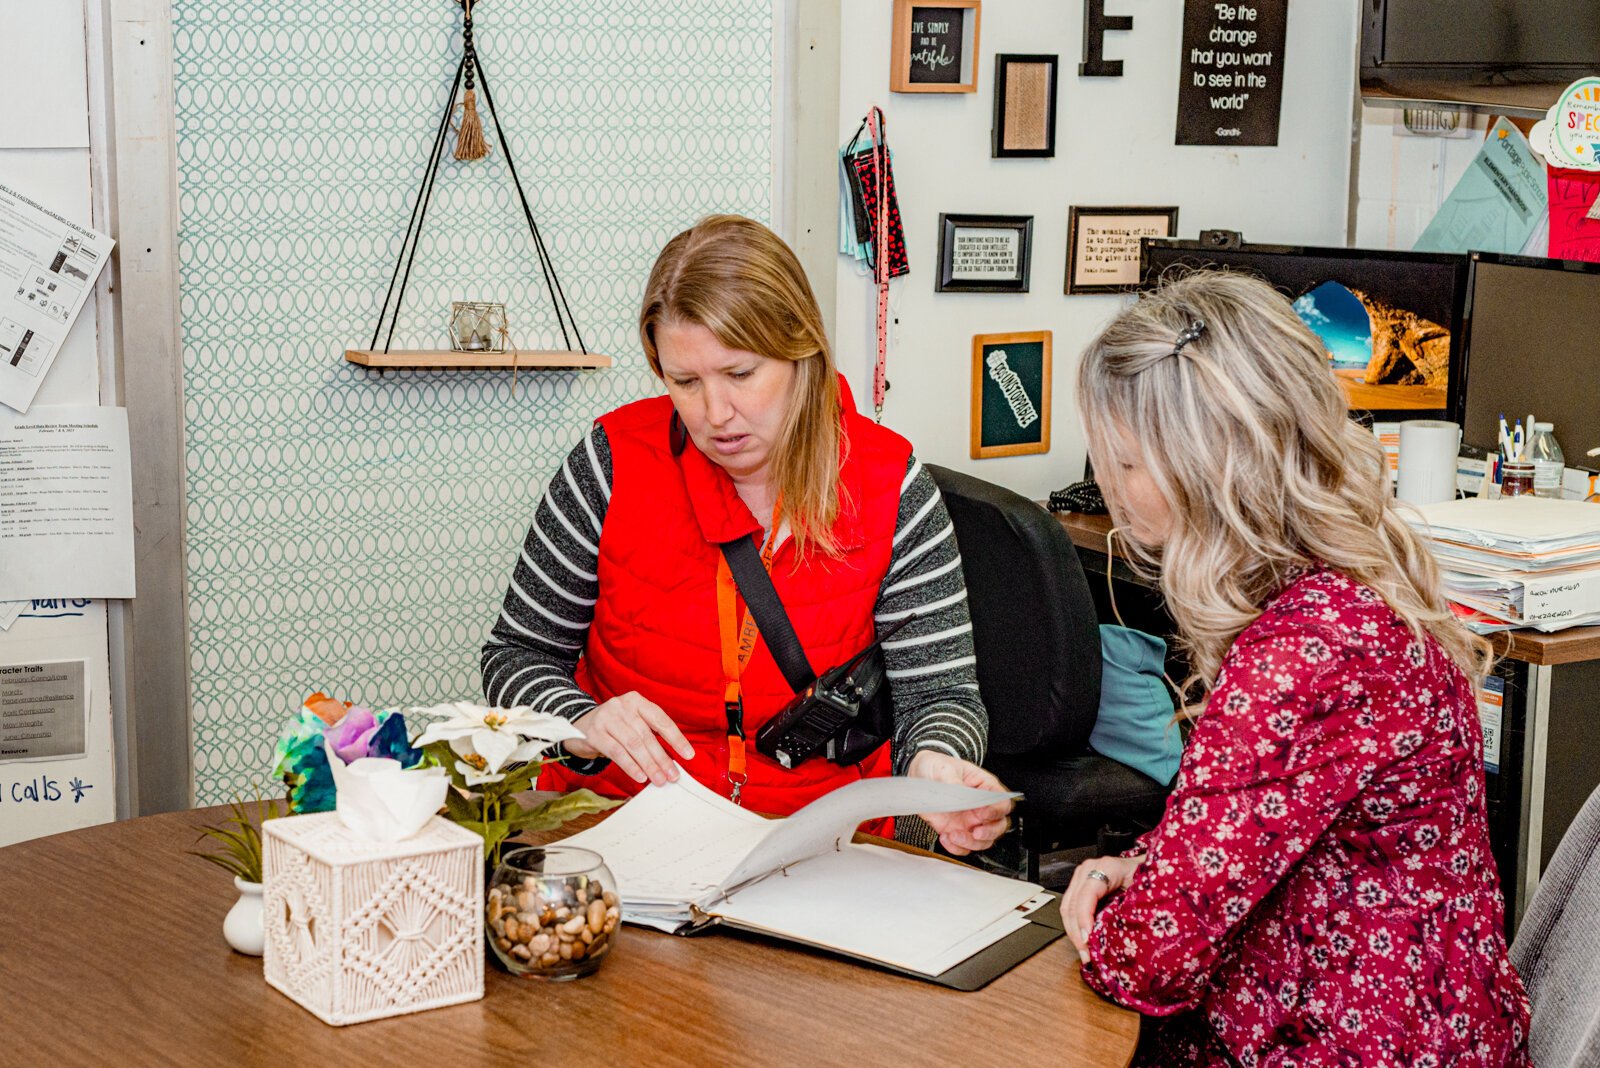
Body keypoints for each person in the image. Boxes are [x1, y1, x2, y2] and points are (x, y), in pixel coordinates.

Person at [1062, 271, 1530, 1065]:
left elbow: (1151, 961)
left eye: (1127, 462)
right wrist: (1140, 864)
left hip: (1352, 1041)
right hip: (1430, 1018)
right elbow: (1265, 824)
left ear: (1208, 467)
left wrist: (1110, 915)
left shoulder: (1304, 653)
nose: (1108, 484)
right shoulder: (1345, 585)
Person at [481, 214, 1010, 854]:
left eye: (740, 374)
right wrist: (580, 720)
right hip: (619, 827)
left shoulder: (891, 485)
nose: (715, 414)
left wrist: (935, 765)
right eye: (685, 382)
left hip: (820, 844)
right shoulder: (611, 462)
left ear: (800, 353)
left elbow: (942, 693)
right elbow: (515, 655)